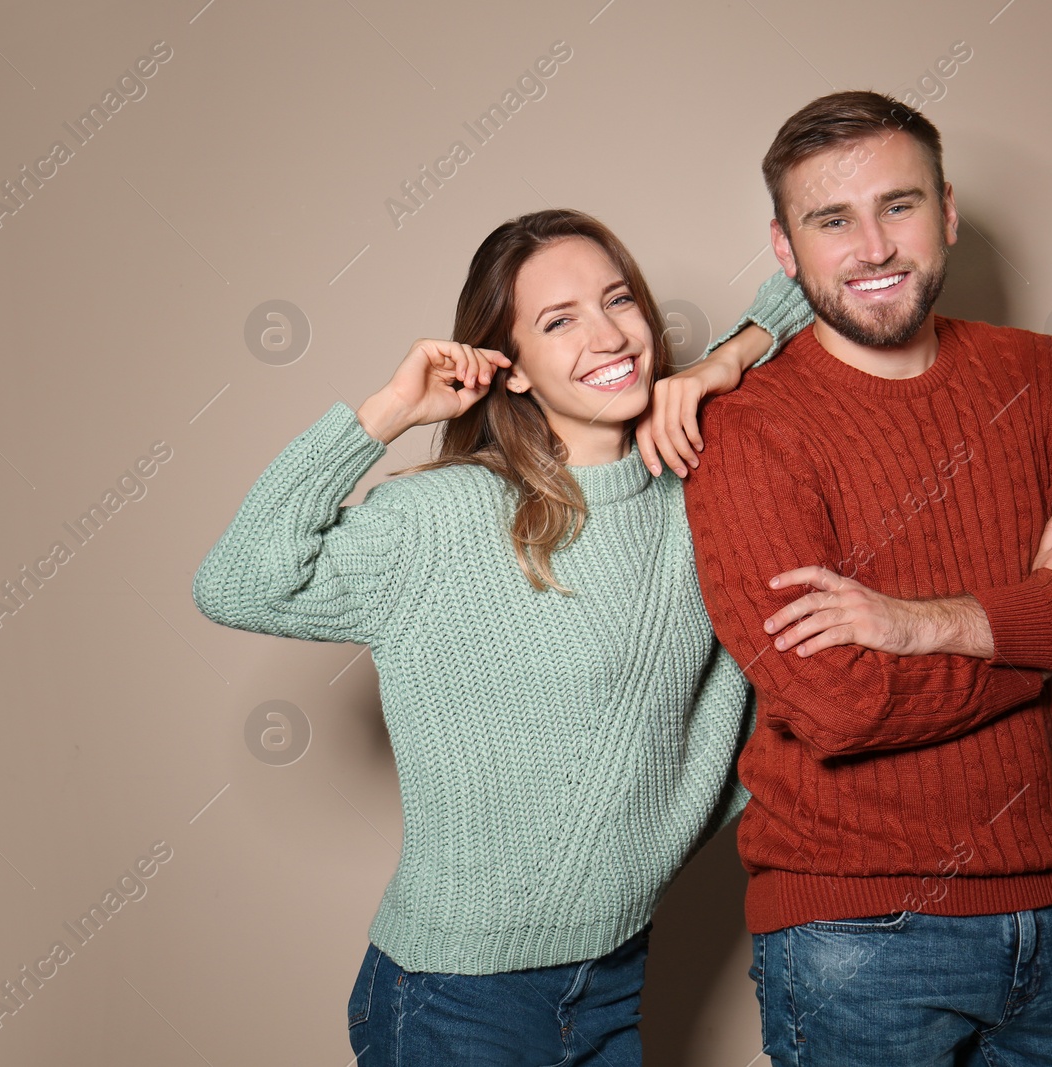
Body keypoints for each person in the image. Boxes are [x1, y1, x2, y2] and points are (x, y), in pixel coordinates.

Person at [191, 207, 816, 1064]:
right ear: (510, 367)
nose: (608, 335)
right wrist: (383, 415)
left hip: (613, 975)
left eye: (619, 299)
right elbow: (239, 581)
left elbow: (837, 278)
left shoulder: (704, 489)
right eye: (559, 321)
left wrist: (723, 361)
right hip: (455, 999)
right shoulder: (446, 518)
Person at [681, 90, 1052, 1066]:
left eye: (899, 205)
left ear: (948, 212)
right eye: (831, 219)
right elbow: (837, 703)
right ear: (784, 248)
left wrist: (938, 622)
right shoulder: (751, 424)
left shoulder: (1039, 375)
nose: (873, 246)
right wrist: (1035, 630)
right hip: (852, 935)